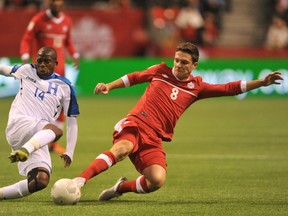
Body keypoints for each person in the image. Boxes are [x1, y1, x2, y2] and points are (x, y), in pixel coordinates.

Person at [72, 42, 283, 201]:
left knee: (157, 180)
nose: (178, 65)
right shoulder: (160, 71)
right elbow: (134, 77)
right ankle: (79, 181)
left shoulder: (197, 87)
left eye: (184, 62)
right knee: (122, 149)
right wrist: (109, 85)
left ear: (194, 65)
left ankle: (120, 188)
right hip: (136, 123)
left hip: (155, 137)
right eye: (176, 60)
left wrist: (261, 82)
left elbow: (230, 88)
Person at [0, 46, 79, 200]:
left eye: (46, 61)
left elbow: (72, 121)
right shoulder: (26, 70)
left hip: (39, 136)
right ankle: (25, 150)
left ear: (56, 63)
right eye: (39, 61)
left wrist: (70, 150)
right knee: (56, 130)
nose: (42, 64)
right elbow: (3, 69)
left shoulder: (65, 87)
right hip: (19, 124)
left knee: (40, 181)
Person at [19, 0, 80, 154]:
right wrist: (25, 55)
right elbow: (27, 38)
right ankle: (33, 135)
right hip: (42, 72)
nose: (58, 5)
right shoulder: (39, 19)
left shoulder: (66, 20)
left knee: (61, 105)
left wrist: (74, 54)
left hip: (60, 72)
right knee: (39, 103)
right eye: (55, 3)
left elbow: (68, 41)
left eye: (60, 3)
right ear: (49, 4)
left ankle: (51, 142)